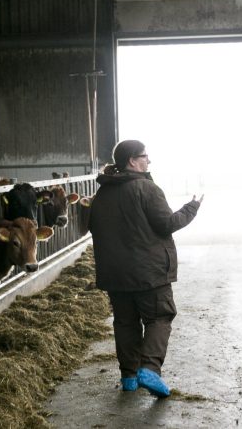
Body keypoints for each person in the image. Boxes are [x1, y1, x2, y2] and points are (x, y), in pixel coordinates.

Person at [88, 140, 202, 397]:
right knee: (160, 317)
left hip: (115, 274)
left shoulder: (102, 193)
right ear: (132, 160)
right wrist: (191, 208)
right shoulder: (146, 188)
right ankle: (149, 369)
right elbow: (166, 224)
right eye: (145, 156)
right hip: (149, 273)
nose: (148, 161)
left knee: (125, 323)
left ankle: (129, 377)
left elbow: (94, 227)